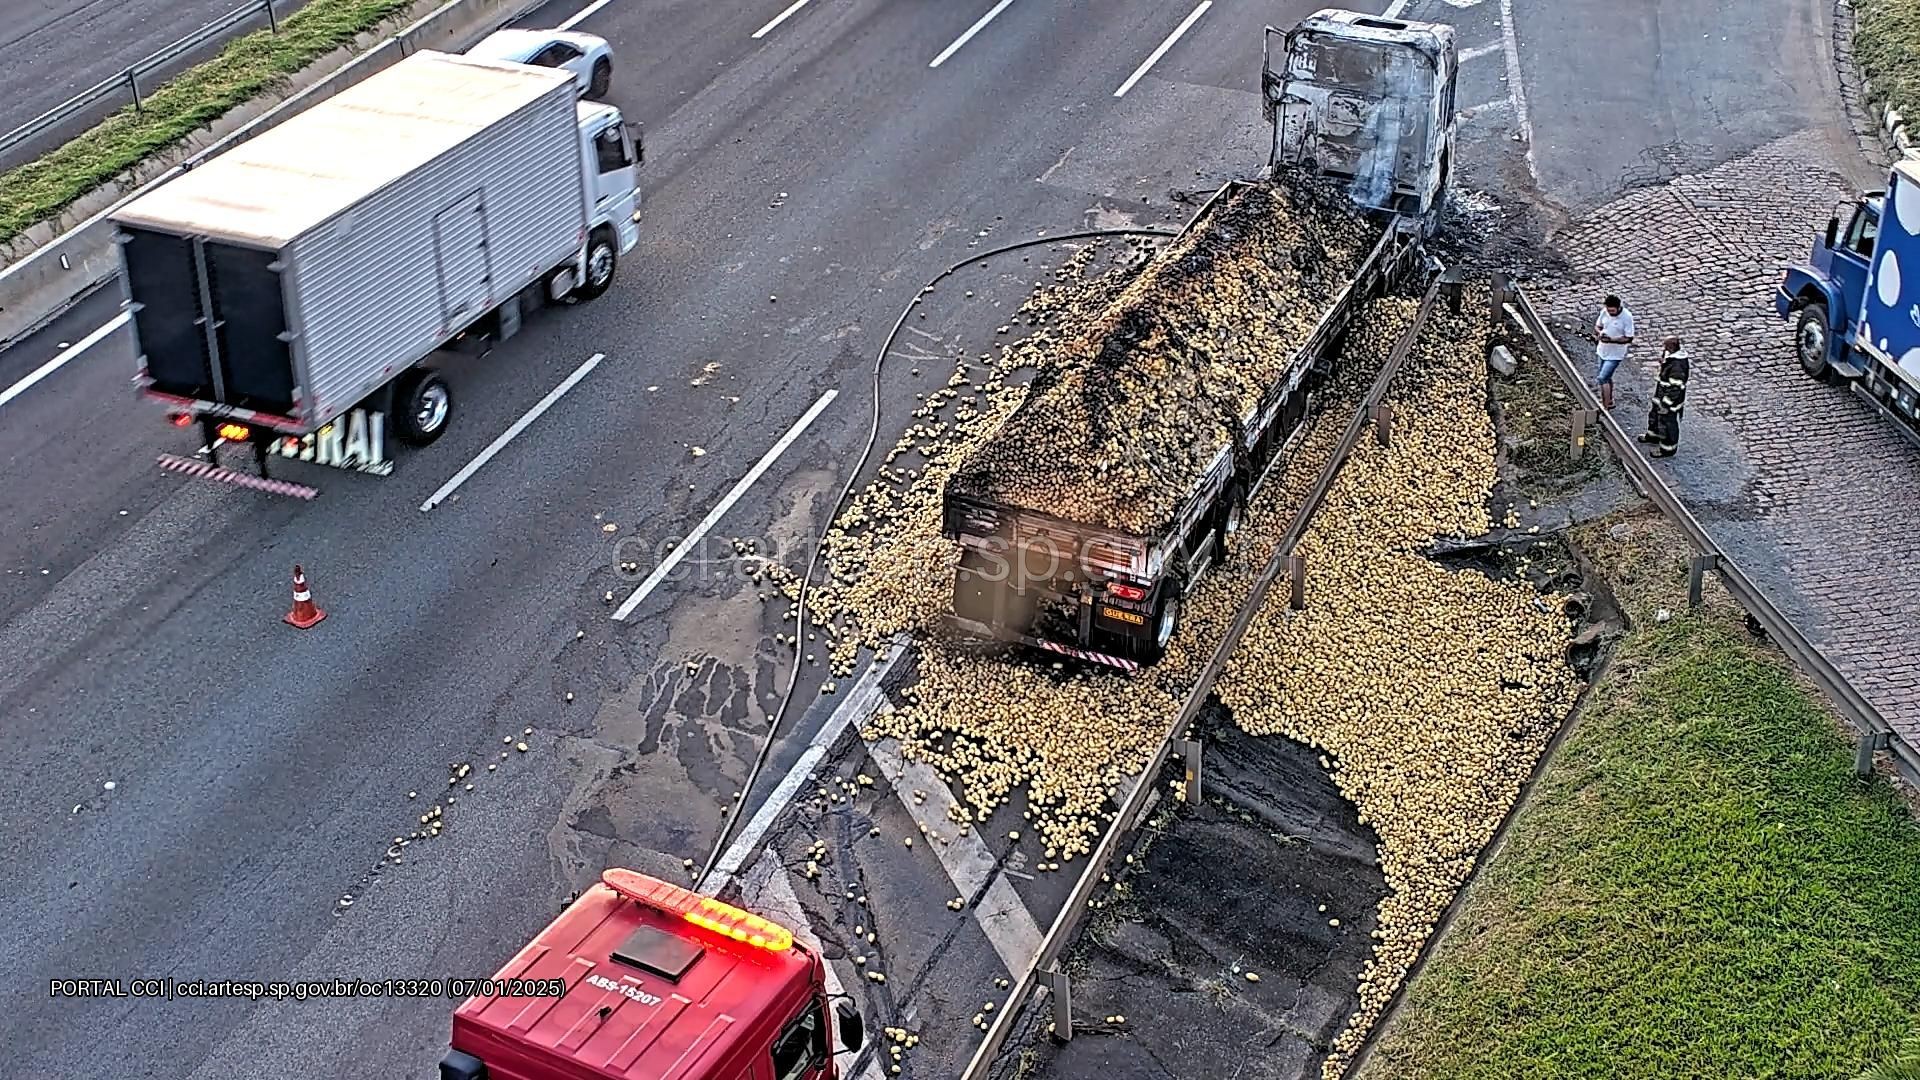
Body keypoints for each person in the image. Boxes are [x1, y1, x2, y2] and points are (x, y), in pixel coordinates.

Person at [1639, 336, 1690, 457]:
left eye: (1666, 346)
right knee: (1655, 415)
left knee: (1668, 423)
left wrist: (1666, 403)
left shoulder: (1677, 367)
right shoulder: (1671, 356)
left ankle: (1668, 449)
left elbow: (1675, 388)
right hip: (1661, 393)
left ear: (1672, 347)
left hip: (1669, 400)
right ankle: (1653, 436)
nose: (1664, 349)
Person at [1593, 294, 1635, 410]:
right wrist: (1600, 334)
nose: (1610, 313)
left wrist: (1612, 340)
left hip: (1616, 354)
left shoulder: (1626, 317)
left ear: (1618, 307)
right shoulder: (1604, 312)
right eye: (1608, 310)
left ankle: (1605, 406)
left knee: (1602, 378)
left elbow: (1629, 338)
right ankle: (1610, 400)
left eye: (1612, 311)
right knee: (1607, 376)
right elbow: (1598, 326)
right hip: (1602, 350)